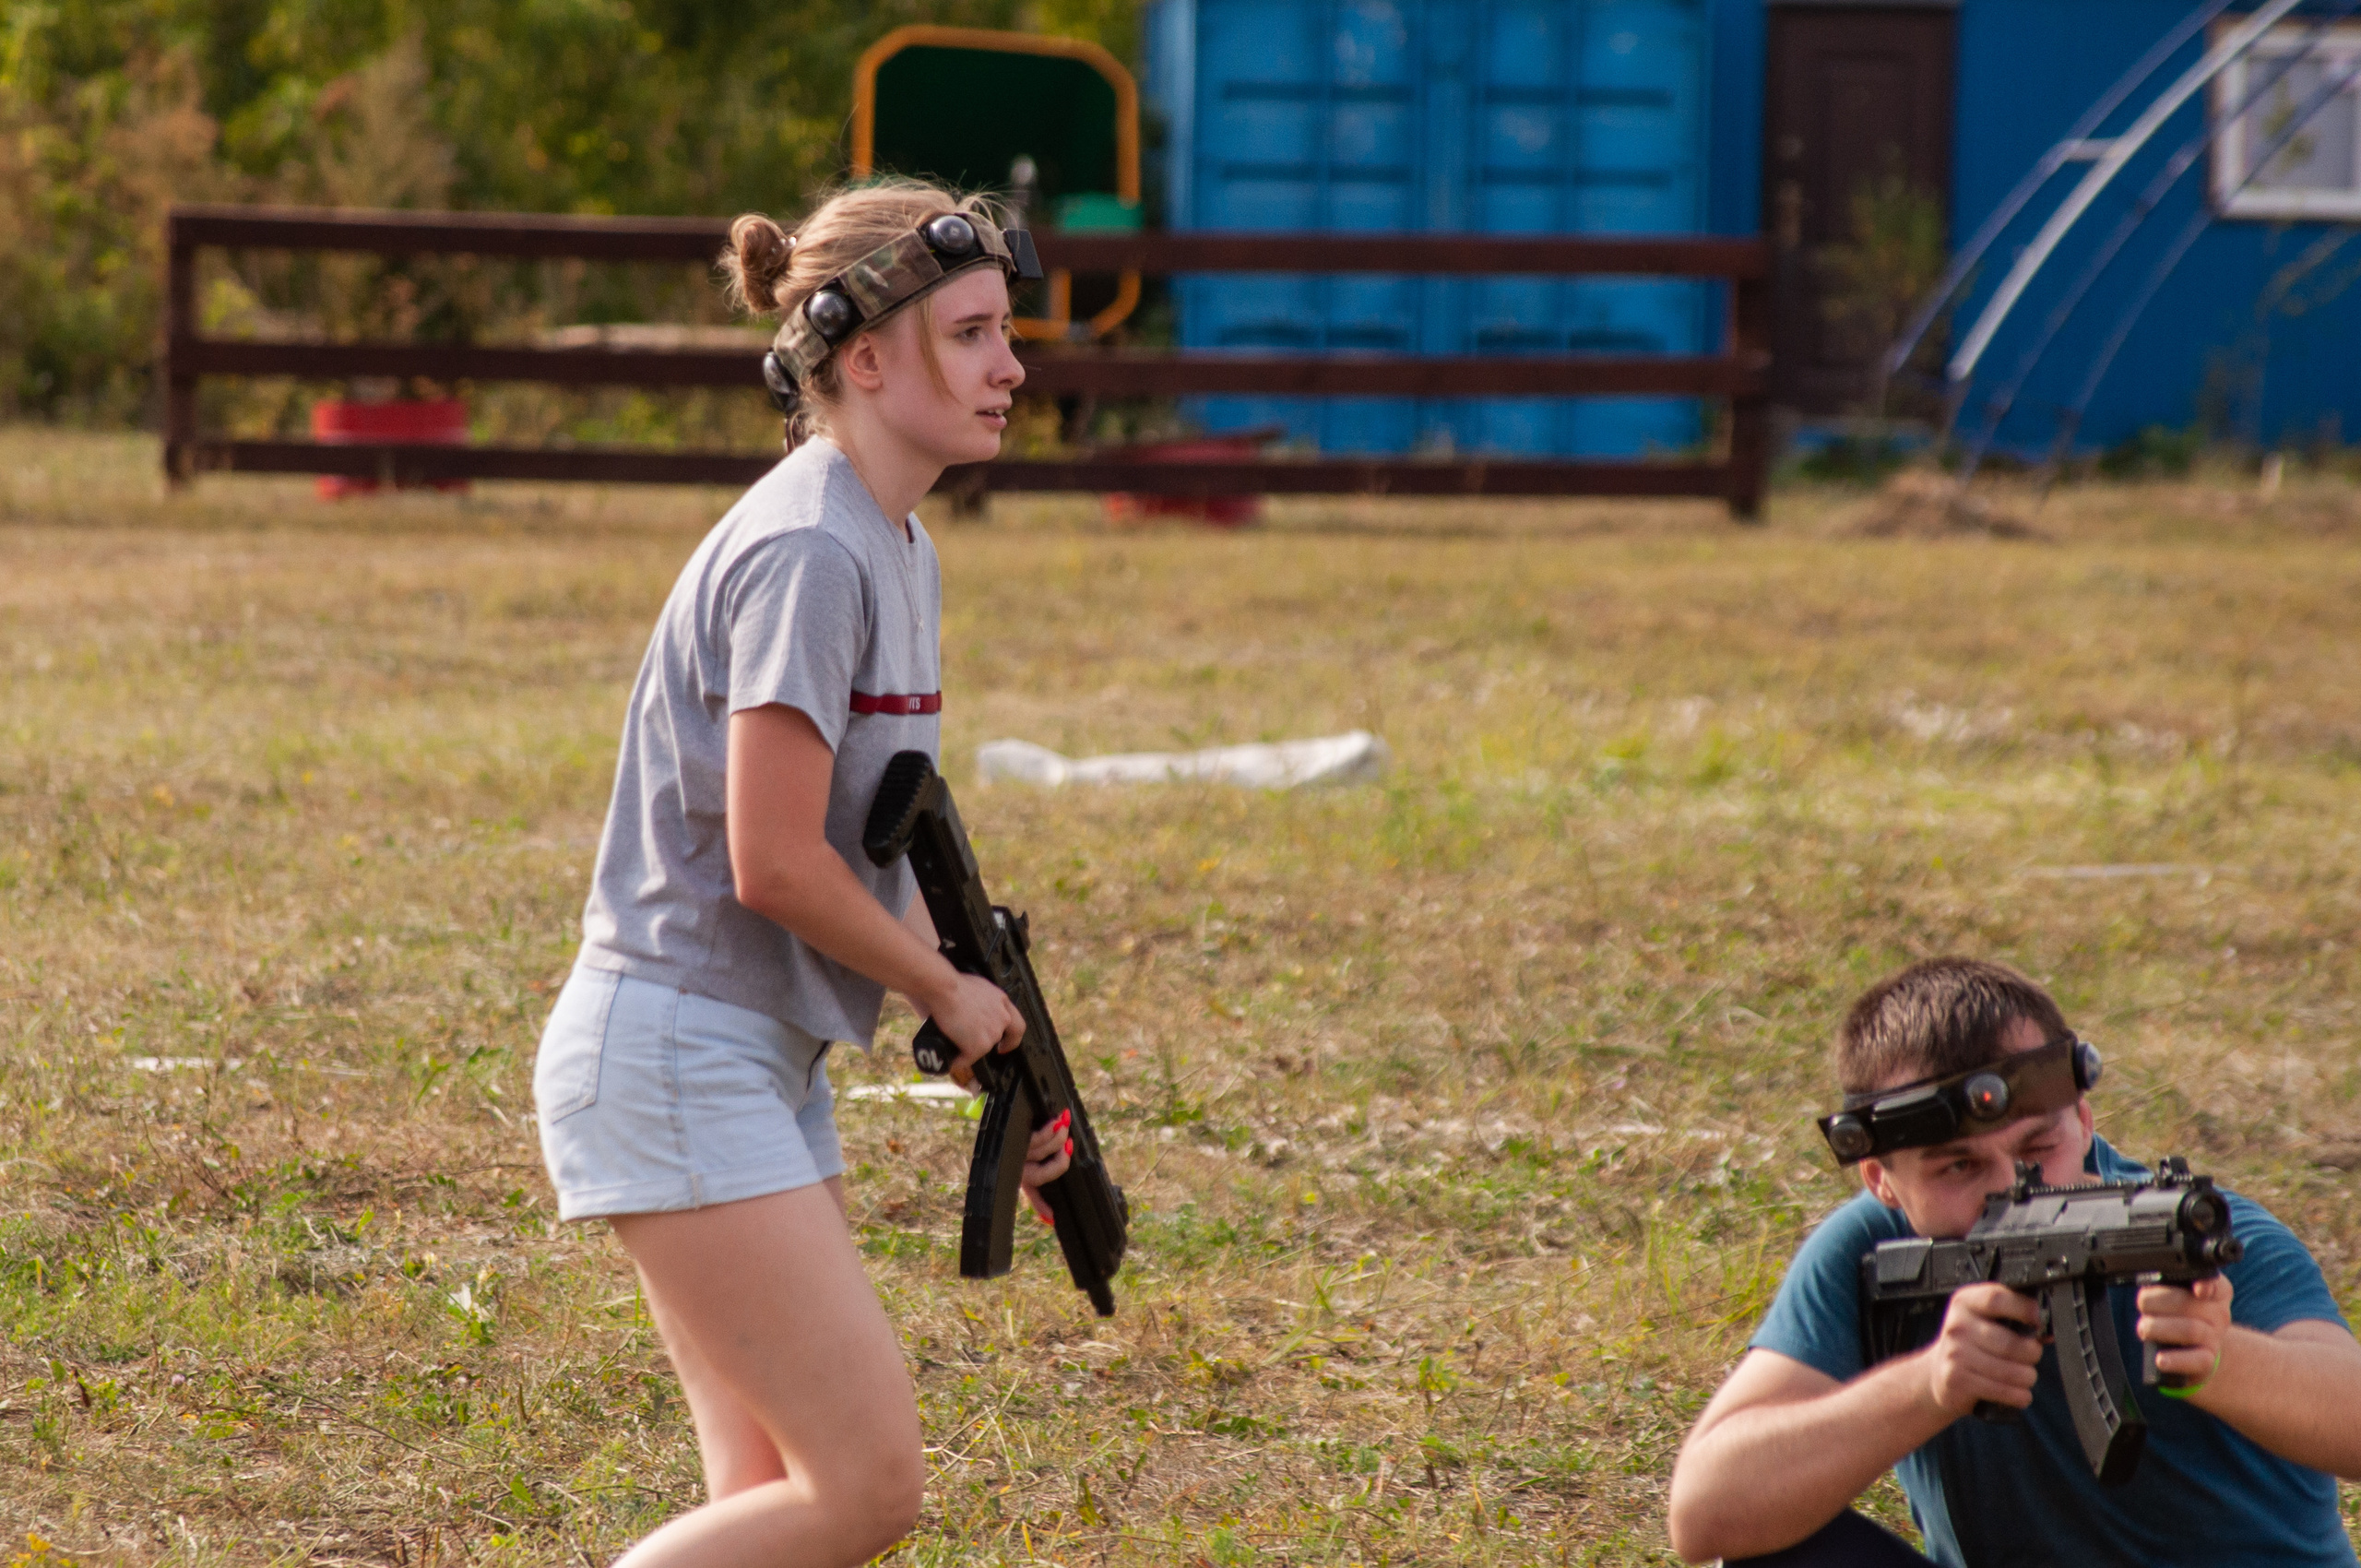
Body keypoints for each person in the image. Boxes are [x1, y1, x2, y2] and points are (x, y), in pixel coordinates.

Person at [530, 180, 1071, 1568]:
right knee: (864, 1485)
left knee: (764, 1500)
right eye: (972, 334)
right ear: (867, 358)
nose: (1011, 366)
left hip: (748, 1054)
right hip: (675, 1049)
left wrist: (980, 1037)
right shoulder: (808, 550)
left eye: (1006, 331)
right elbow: (773, 863)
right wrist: (941, 986)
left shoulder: (896, 547)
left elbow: (858, 851)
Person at [1667, 956, 2361, 1567]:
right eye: (1959, 1167)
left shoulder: (2191, 1230)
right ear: (1881, 1181)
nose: (2010, 1188)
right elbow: (1706, 1512)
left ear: (2084, 1121)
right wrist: (1927, 1387)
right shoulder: (1868, 1253)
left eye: (2037, 1150)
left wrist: (2225, 1362)